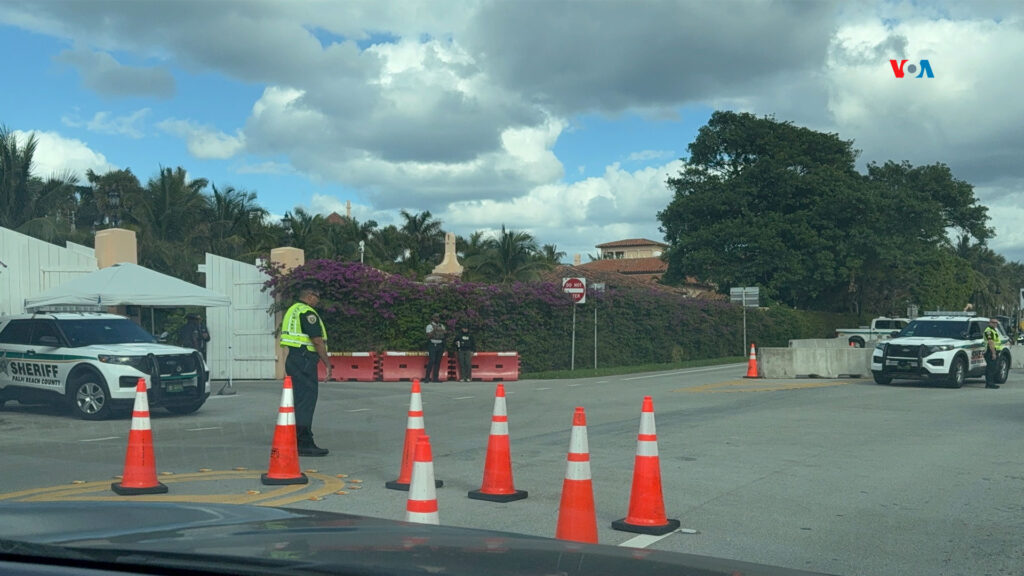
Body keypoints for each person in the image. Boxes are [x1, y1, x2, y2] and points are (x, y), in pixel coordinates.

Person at [280, 286, 333, 456]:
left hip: (293, 359)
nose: (318, 300)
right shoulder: (307, 313)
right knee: (306, 402)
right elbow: (317, 341)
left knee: (297, 401)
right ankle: (304, 443)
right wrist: (327, 363)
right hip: (304, 360)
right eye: (317, 296)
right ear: (310, 296)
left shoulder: (292, 310)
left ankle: (294, 439)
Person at [424, 314, 447, 382]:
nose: (438, 319)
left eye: (438, 317)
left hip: (440, 344)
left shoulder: (441, 326)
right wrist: (434, 330)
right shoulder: (429, 326)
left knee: (438, 361)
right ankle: (427, 377)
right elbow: (428, 336)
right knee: (432, 360)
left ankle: (435, 378)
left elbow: (445, 333)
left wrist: (443, 331)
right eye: (436, 317)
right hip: (432, 344)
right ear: (433, 318)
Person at [983, 316, 1003, 390]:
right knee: (990, 368)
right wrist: (993, 353)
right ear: (990, 323)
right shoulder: (988, 331)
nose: (995, 324)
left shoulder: (994, 330)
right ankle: (989, 384)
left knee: (993, 368)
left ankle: (991, 383)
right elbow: (990, 342)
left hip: (994, 351)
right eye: (993, 322)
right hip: (990, 351)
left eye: (996, 323)